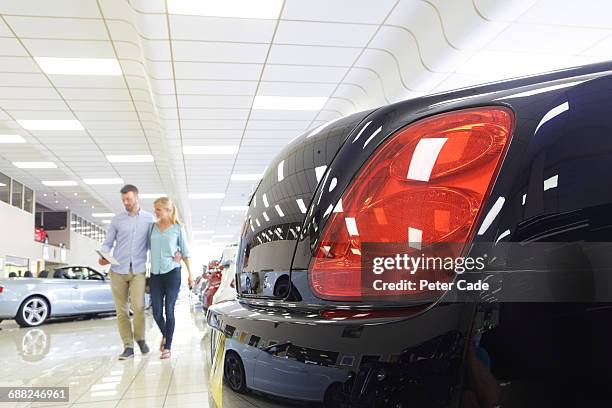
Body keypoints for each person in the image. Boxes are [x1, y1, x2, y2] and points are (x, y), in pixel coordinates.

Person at [100, 184, 156, 360]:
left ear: (137, 197)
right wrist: (104, 254)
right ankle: (128, 346)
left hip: (138, 269)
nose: (126, 203)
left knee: (138, 307)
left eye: (129, 199)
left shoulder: (149, 219)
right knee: (121, 310)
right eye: (123, 200)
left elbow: (155, 241)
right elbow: (108, 242)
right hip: (117, 269)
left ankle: (140, 338)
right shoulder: (117, 219)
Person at [149, 196, 193, 359]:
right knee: (156, 312)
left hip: (173, 272)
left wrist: (190, 274)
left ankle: (167, 346)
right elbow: (144, 247)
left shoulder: (177, 228)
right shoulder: (151, 228)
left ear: (168, 210)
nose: (156, 212)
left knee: (169, 309)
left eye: (158, 209)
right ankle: (166, 334)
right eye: (155, 209)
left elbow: (185, 253)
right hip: (155, 274)